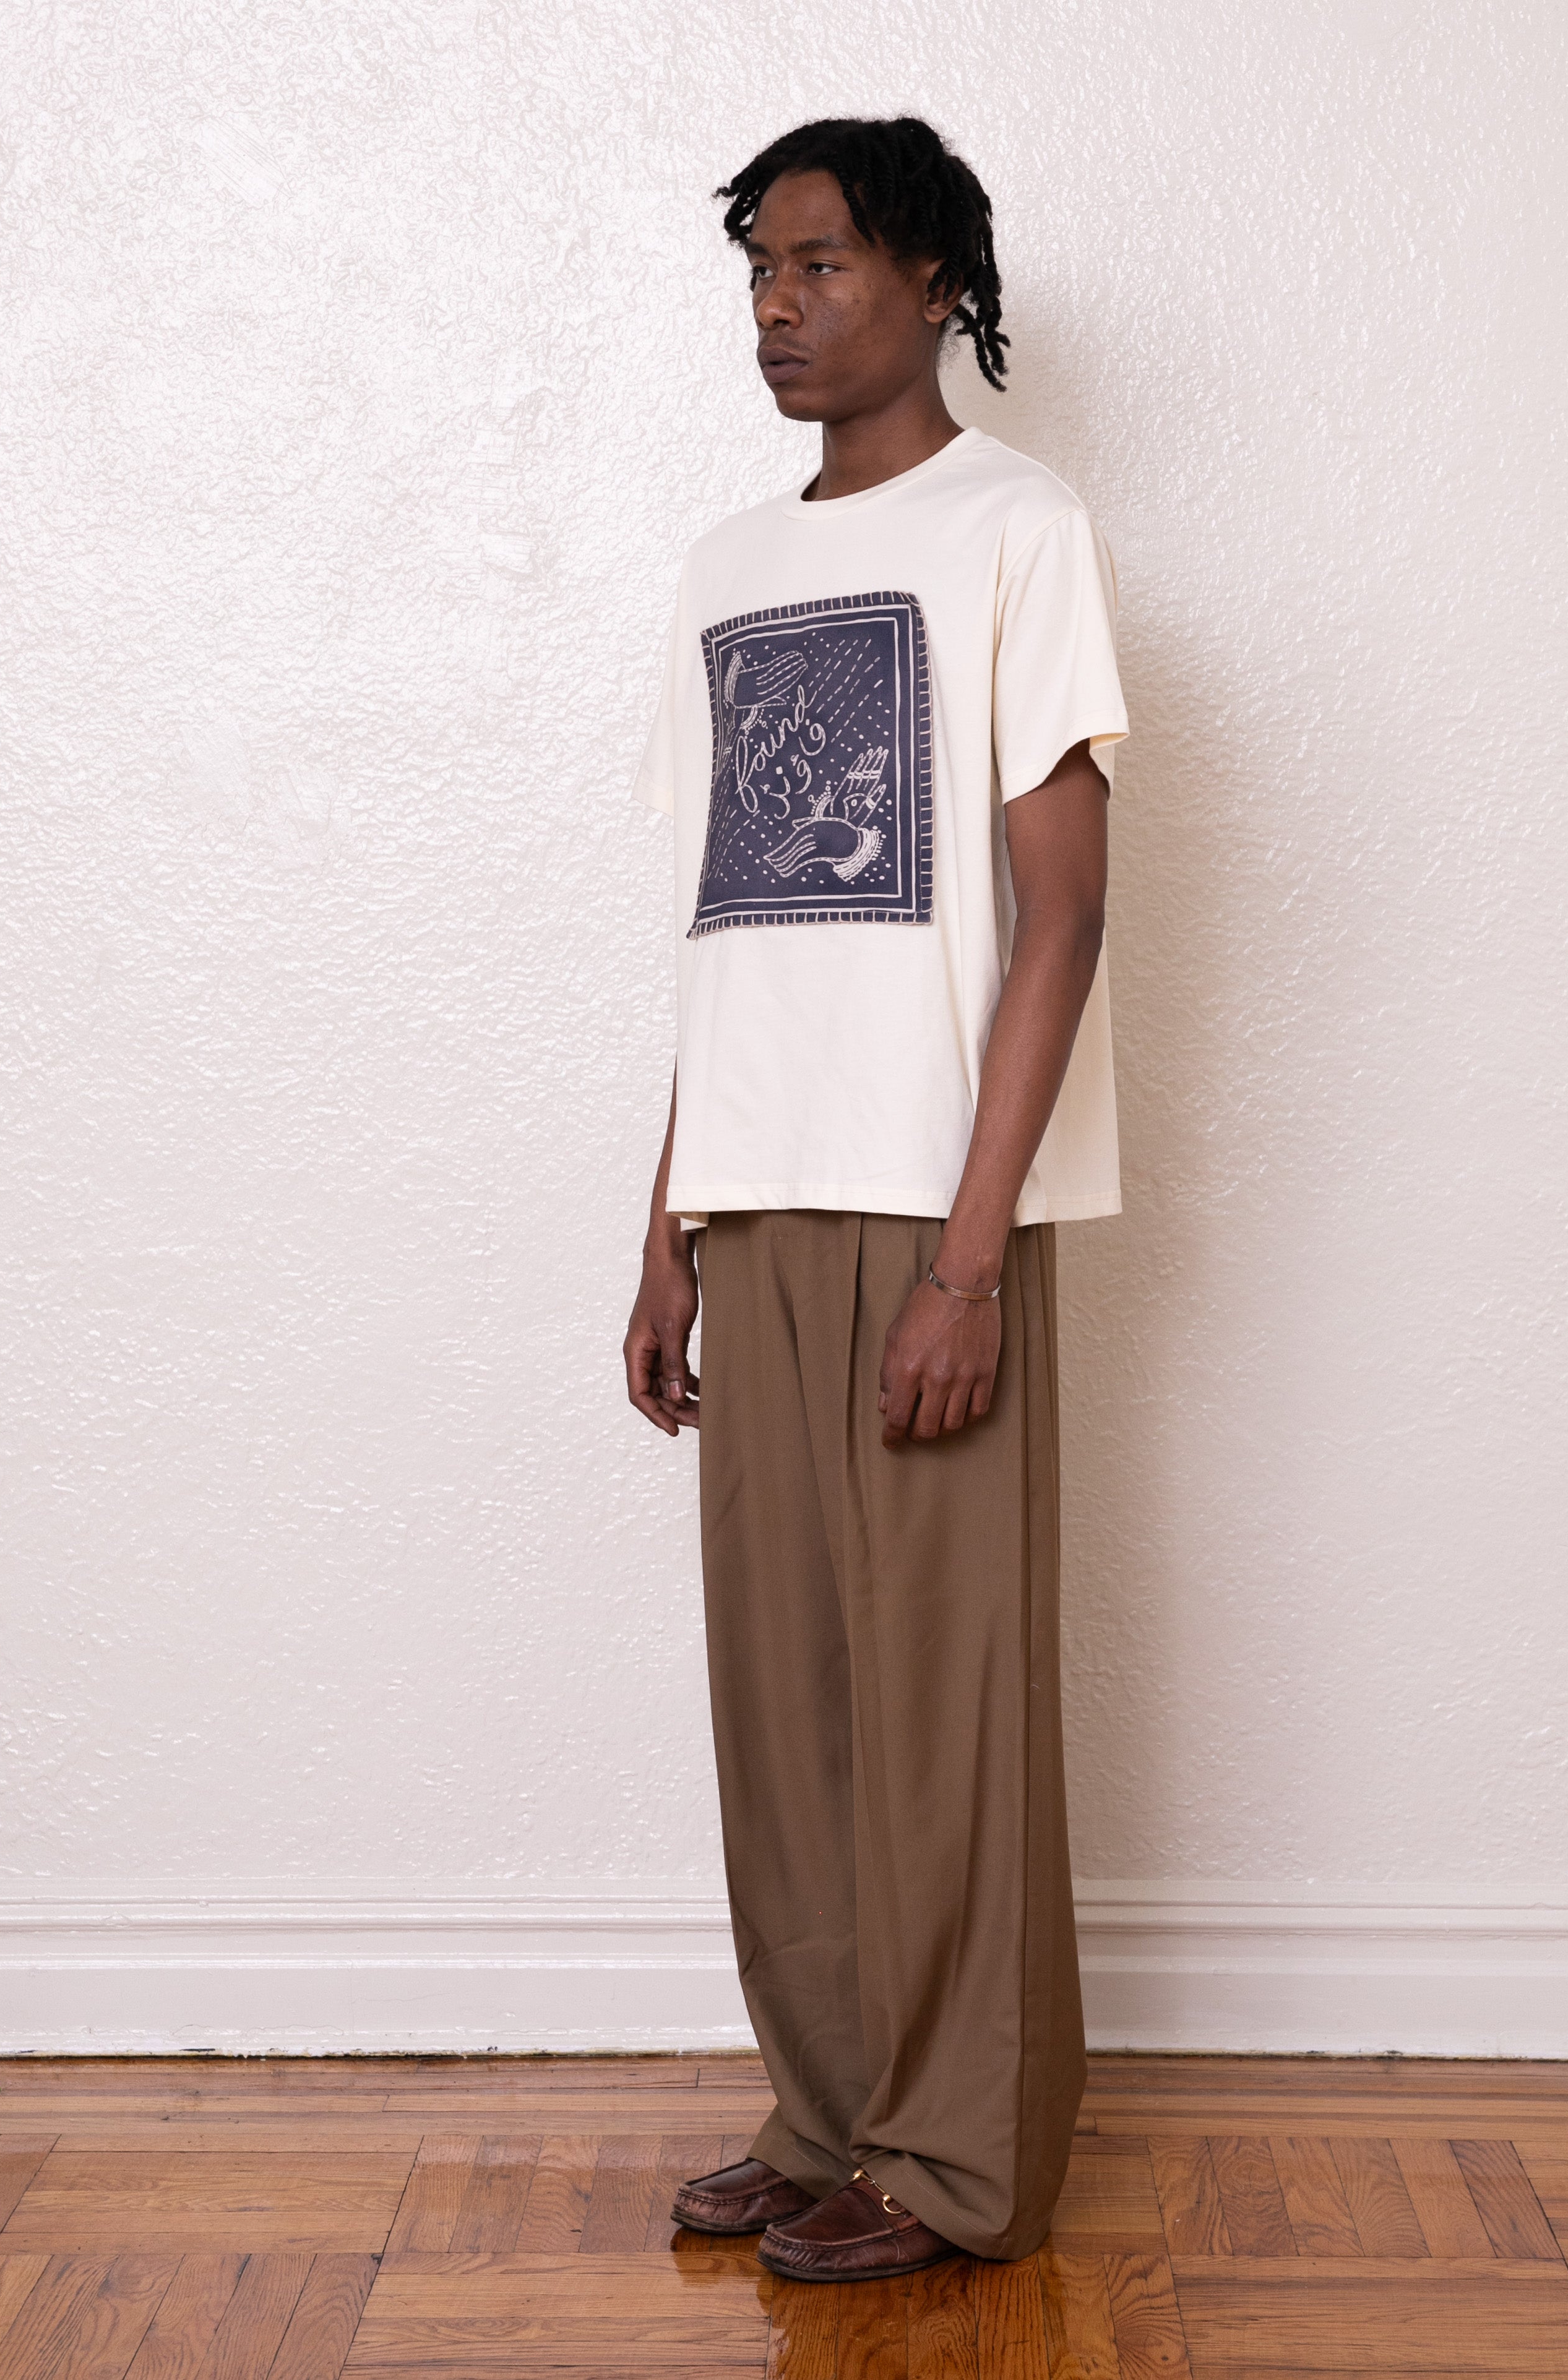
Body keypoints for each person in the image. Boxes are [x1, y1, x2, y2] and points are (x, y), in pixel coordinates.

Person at [622, 114, 1129, 2283]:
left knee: (945, 1702)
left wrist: (971, 1256)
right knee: (792, 1701)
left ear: (936, 283)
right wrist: (662, 1224)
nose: (780, 306)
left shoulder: (1021, 527)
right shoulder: (726, 564)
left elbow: (1064, 913)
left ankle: (950, 2162)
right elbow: (718, 924)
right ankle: (824, 2115)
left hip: (932, 1211)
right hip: (755, 1188)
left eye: (820, 266)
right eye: (758, 273)